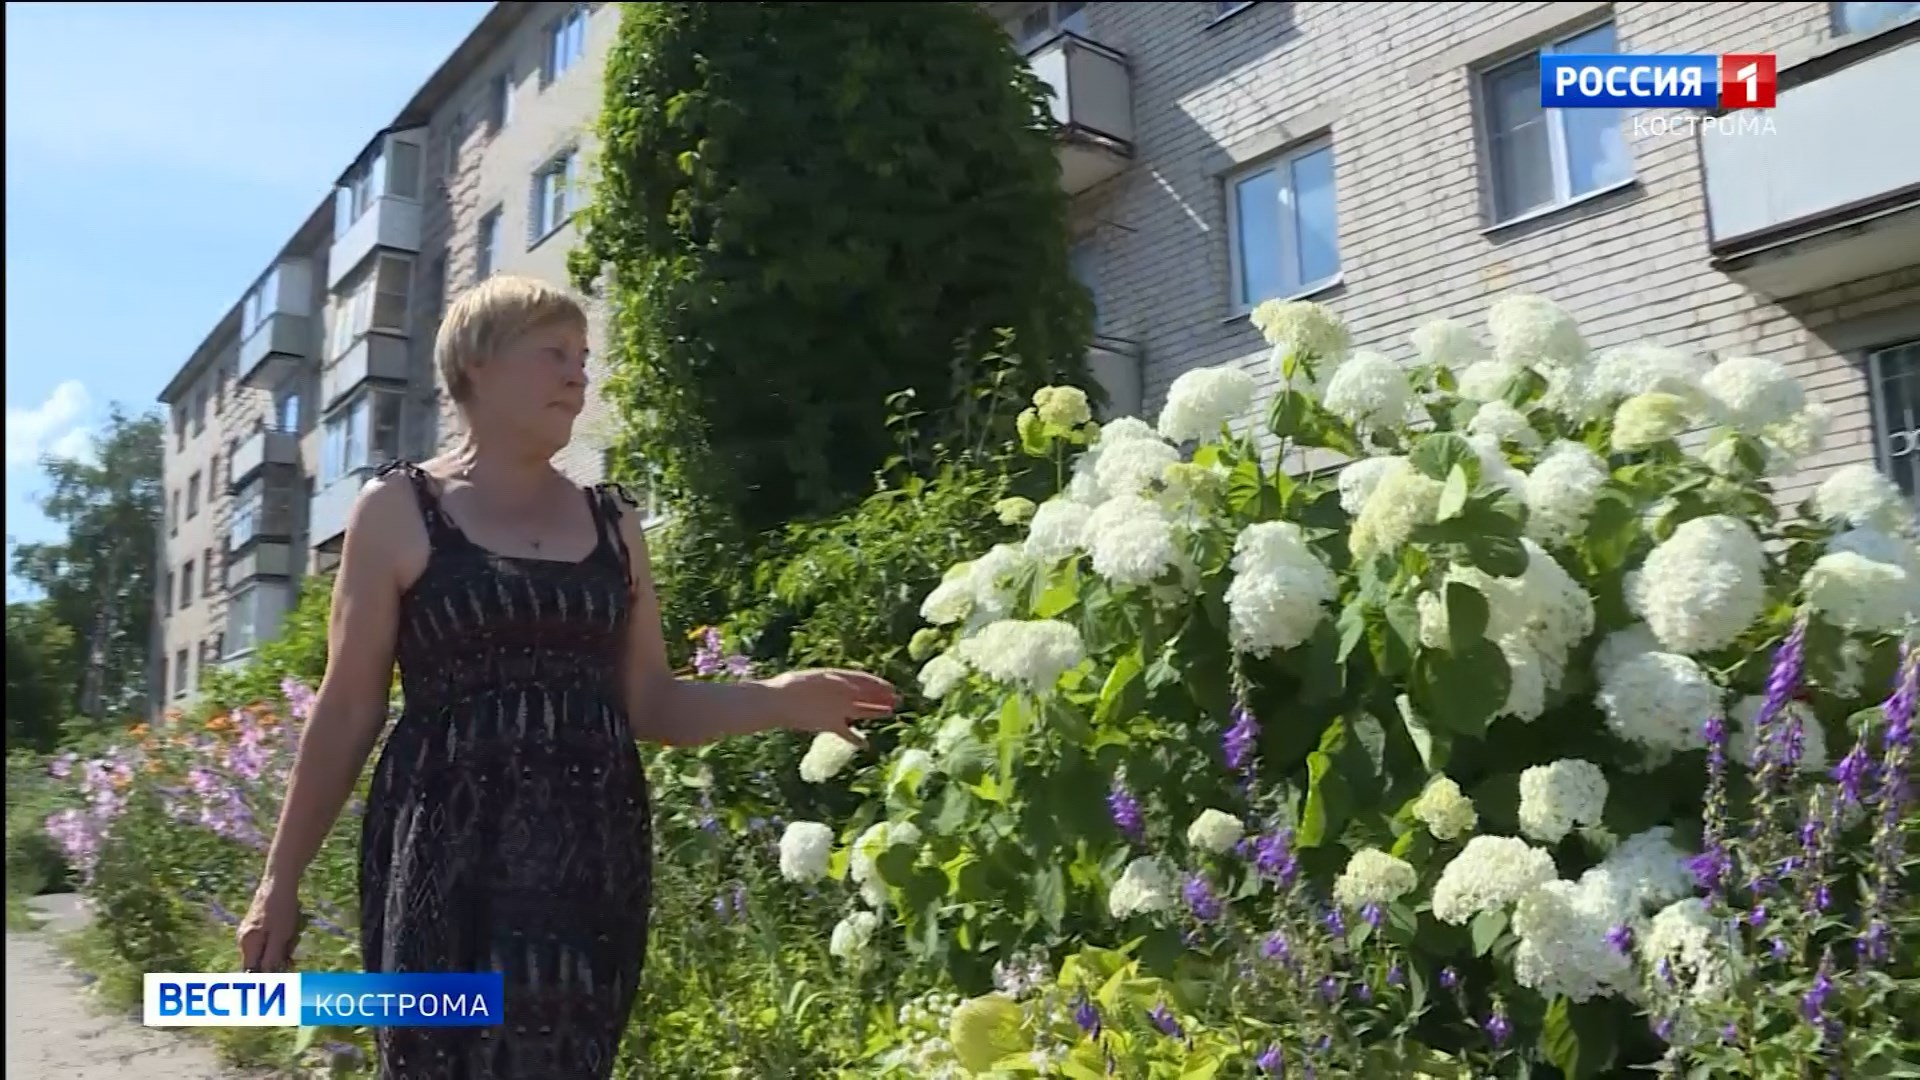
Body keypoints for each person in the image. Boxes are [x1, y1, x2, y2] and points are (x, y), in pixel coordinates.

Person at [236, 275, 897, 1079]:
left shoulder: (614, 523)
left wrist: (781, 700)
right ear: (477, 365)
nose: (578, 374)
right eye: (553, 353)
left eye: (583, 356)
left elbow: (651, 703)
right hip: (444, 857)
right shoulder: (399, 508)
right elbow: (346, 707)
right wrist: (279, 880)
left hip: (588, 863)